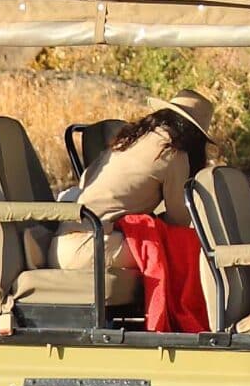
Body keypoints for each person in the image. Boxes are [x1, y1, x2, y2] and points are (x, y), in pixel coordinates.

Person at [55, 94, 213, 277]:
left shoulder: (129, 138)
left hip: (61, 245)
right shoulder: (173, 151)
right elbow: (179, 221)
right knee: (186, 251)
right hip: (91, 247)